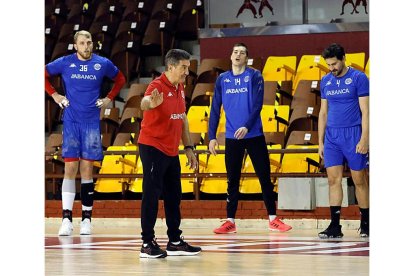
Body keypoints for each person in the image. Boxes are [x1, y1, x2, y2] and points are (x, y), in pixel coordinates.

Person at [45, 30, 126, 236]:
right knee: (70, 168)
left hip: (91, 123)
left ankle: (87, 220)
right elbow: (42, 74)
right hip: (71, 122)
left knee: (87, 170)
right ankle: (66, 219)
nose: (87, 46)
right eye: (82, 43)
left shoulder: (102, 63)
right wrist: (54, 95)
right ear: (75, 45)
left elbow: (121, 80)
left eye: (89, 42)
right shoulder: (64, 62)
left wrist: (108, 98)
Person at [208, 43, 292, 234]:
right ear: (230, 56)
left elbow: (257, 104)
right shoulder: (222, 79)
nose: (238, 55)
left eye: (242, 53)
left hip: (254, 135)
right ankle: (230, 221)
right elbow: (215, 109)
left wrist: (247, 125)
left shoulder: (254, 76)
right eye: (235, 52)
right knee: (232, 180)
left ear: (247, 58)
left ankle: (273, 219)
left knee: (264, 177)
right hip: (232, 137)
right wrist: (211, 136)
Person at [138, 49, 202, 258]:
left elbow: (182, 118)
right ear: (171, 67)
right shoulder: (156, 85)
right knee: (152, 194)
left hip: (171, 150)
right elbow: (144, 102)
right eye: (184, 67)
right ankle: (147, 243)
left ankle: (174, 241)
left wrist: (189, 147)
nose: (187, 72)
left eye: (188, 67)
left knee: (174, 196)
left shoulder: (180, 87)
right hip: (152, 147)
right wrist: (151, 104)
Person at [318, 43, 369, 238]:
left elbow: (366, 111)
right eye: (329, 65)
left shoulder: (359, 78)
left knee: (359, 180)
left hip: (354, 135)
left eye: (334, 64)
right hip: (332, 137)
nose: (332, 68)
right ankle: (334, 226)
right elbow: (323, 113)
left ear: (343, 59)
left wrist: (365, 138)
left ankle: (366, 224)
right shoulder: (326, 81)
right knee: (333, 180)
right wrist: (320, 142)